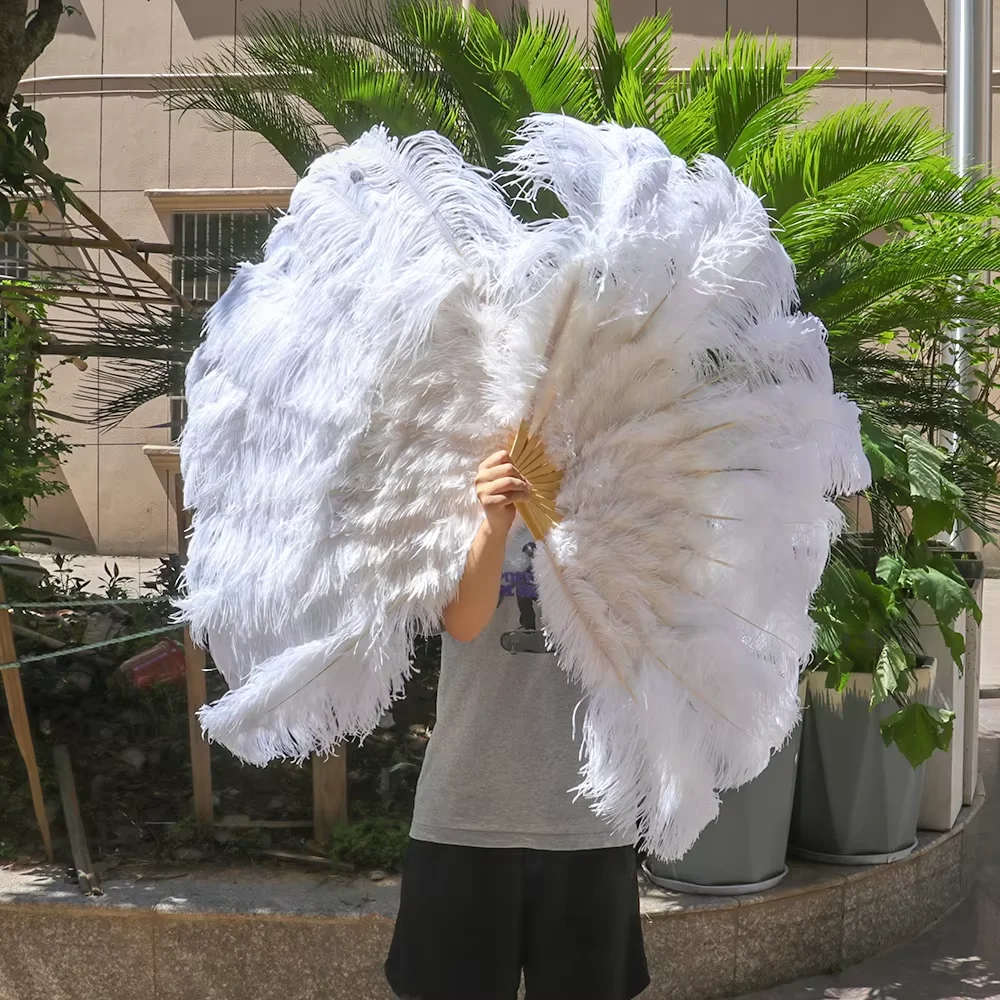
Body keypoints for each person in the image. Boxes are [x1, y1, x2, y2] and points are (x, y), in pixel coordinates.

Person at [385, 450, 649, 1000]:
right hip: (466, 810)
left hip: (588, 818)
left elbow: (638, 639)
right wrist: (491, 523)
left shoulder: (629, 492)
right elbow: (462, 622)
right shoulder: (457, 484)